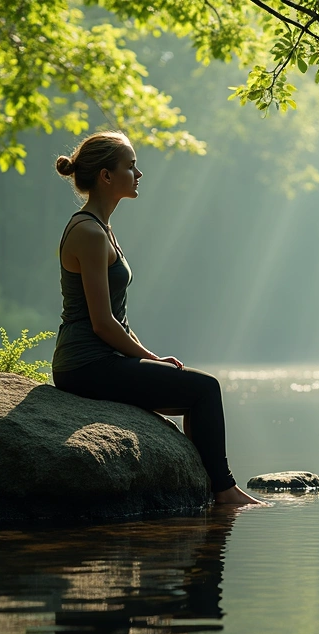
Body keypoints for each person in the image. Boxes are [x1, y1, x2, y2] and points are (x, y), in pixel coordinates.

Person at [51, 131, 263, 506]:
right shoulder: (88, 232)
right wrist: (150, 359)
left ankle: (207, 489)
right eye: (130, 166)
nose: (139, 174)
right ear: (105, 176)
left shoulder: (101, 228)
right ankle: (224, 491)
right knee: (204, 389)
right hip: (86, 365)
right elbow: (102, 322)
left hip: (100, 361)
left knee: (195, 390)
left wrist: (145, 361)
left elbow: (114, 318)